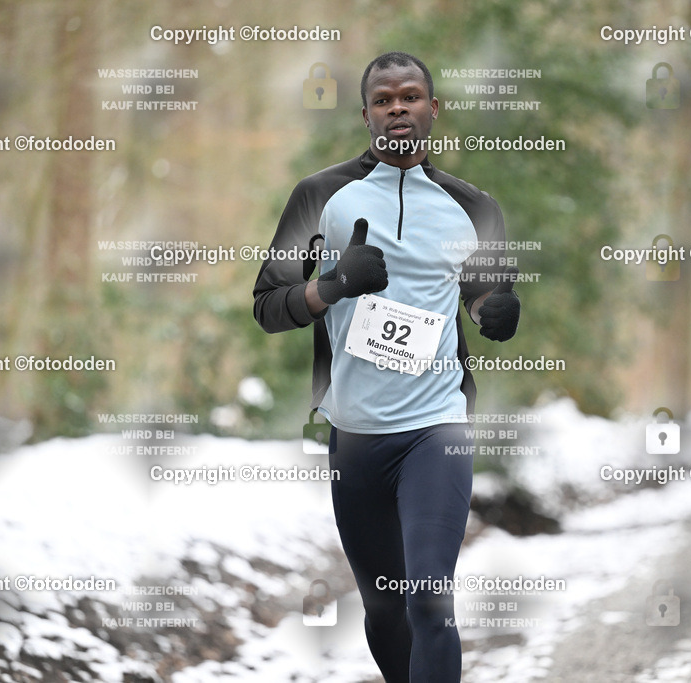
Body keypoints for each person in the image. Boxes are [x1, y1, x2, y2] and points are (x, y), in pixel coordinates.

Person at [252, 51, 521, 683]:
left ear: (433, 108)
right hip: (355, 437)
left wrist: (495, 313)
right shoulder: (319, 196)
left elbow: (483, 298)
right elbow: (267, 306)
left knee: (428, 598)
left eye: (410, 96)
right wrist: (331, 286)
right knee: (386, 608)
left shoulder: (474, 206)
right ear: (366, 115)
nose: (397, 108)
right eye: (383, 100)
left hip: (437, 427)